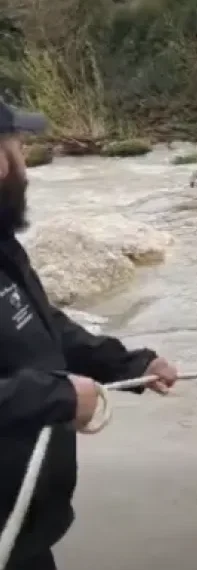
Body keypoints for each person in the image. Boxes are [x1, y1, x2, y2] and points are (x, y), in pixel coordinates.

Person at [0, 100, 179, 570]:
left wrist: (127, 365)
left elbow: (43, 325)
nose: (26, 165)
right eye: (18, 146)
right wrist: (55, 397)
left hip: (25, 536)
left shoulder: (1, 246)